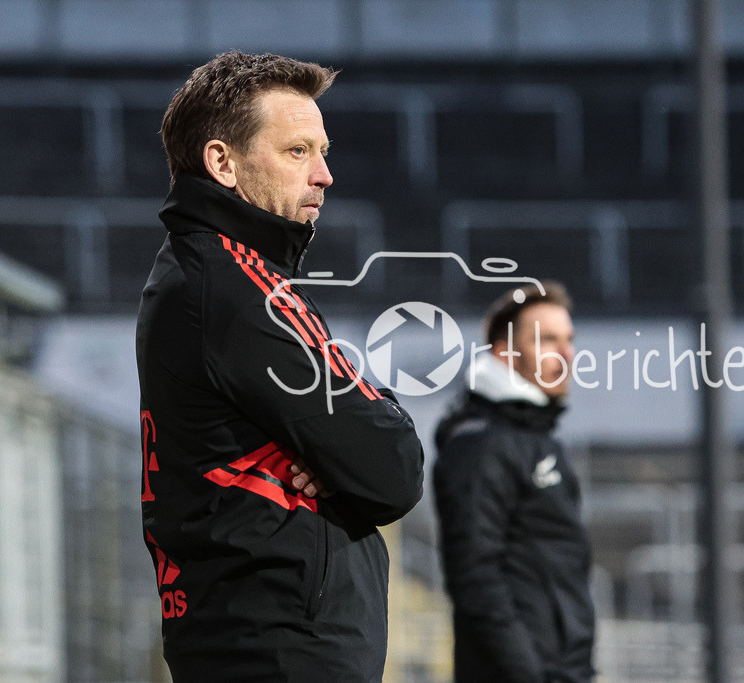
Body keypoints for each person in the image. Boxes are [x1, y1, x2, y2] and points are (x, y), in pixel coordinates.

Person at [136, 51, 424, 681]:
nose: (324, 175)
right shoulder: (237, 289)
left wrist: (343, 440)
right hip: (277, 651)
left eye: (322, 152)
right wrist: (353, 439)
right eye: (298, 152)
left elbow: (363, 450)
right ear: (223, 163)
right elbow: (391, 468)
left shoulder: (211, 277)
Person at [433, 282, 596, 683]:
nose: (567, 354)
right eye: (548, 341)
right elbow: (475, 578)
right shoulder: (481, 444)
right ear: (505, 355)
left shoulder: (536, 438)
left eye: (569, 340)